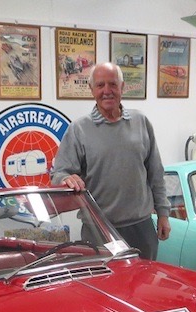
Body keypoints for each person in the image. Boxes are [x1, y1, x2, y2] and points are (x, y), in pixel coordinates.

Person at [51, 62, 170, 260]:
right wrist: (67, 178)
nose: (107, 91)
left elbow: (156, 172)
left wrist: (164, 214)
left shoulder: (141, 122)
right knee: (103, 288)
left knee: (143, 288)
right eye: (100, 85)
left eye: (113, 84)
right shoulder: (79, 129)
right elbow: (59, 174)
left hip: (142, 228)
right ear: (91, 90)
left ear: (122, 87)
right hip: (98, 232)